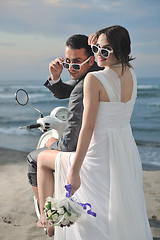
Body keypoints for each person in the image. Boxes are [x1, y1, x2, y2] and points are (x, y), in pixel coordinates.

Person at [37, 25, 153, 239]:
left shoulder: (94, 79)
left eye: (105, 50)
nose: (98, 54)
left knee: (43, 158)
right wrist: (97, 46)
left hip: (97, 154)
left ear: (120, 50)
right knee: (116, 207)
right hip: (124, 151)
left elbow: (88, 128)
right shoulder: (132, 73)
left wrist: (75, 170)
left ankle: (48, 221)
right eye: (96, 49)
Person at [27, 35, 102, 212]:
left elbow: (69, 144)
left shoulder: (82, 89)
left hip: (84, 152)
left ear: (91, 60)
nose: (71, 69)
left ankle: (47, 214)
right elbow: (65, 90)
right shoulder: (103, 73)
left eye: (76, 64)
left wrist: (53, 143)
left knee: (33, 158)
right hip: (106, 147)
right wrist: (55, 77)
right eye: (67, 63)